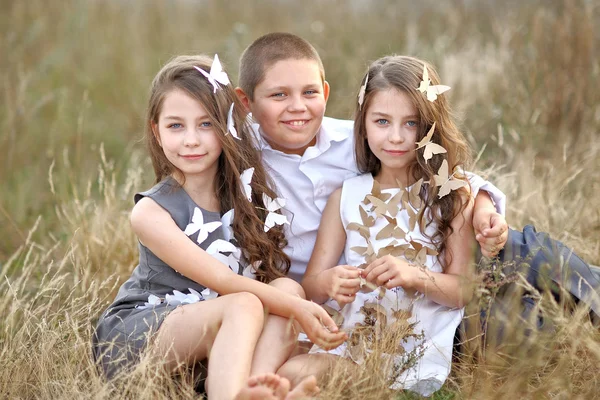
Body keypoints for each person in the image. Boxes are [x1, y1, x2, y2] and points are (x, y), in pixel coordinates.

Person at [234, 32, 600, 327]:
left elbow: (440, 170)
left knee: (532, 250)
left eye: (309, 93)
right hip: (362, 289)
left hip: (446, 240)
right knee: (518, 319)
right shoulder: (240, 160)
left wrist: (483, 204)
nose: (297, 107)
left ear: (325, 93)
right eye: (279, 95)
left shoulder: (356, 136)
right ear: (247, 102)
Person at [92, 54, 345, 400]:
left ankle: (252, 386)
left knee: (286, 287)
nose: (191, 140)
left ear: (227, 126)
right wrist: (299, 310)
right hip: (146, 333)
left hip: (223, 336)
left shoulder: (246, 193)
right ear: (156, 130)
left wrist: (295, 299)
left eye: (206, 124)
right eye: (176, 126)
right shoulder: (151, 212)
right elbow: (225, 282)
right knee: (246, 303)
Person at [274, 55, 482, 396]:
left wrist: (414, 275)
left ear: (431, 124)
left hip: (416, 347)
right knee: (291, 373)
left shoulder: (451, 195)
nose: (396, 137)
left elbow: (464, 290)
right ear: (364, 124)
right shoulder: (346, 196)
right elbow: (310, 286)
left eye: (412, 123)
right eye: (382, 121)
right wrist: (328, 282)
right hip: (351, 343)